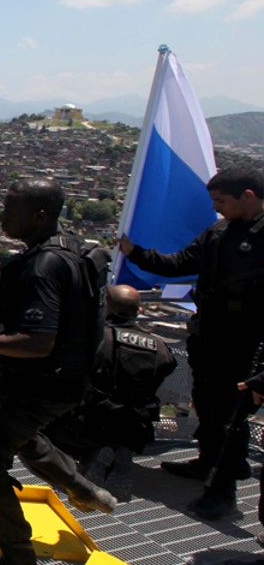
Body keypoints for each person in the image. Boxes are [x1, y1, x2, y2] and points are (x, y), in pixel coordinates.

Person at [0, 178, 116, 565]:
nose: (2, 217)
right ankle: (85, 491)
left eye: (11, 210)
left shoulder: (43, 265)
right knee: (18, 434)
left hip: (41, 384)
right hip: (60, 381)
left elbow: (37, 342)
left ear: (39, 216)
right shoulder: (71, 248)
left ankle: (17, 554)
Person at [118, 166, 264, 520]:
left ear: (248, 197)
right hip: (210, 338)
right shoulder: (219, 232)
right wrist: (135, 252)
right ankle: (209, 464)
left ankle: (221, 491)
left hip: (246, 345)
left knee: (229, 418)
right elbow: (180, 263)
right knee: (209, 409)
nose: (217, 209)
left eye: (222, 202)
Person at [44, 284, 177, 501]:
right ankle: (119, 451)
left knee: (46, 427)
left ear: (106, 307)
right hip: (133, 430)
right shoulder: (161, 348)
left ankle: (92, 452)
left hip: (88, 425)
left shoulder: (93, 339)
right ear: (138, 311)